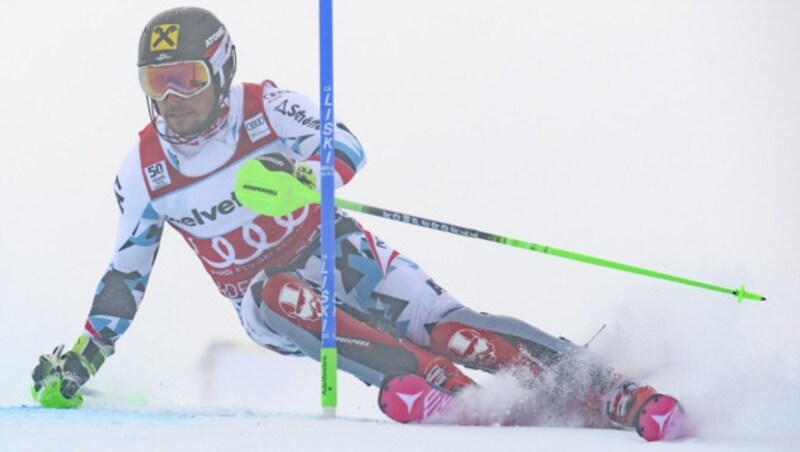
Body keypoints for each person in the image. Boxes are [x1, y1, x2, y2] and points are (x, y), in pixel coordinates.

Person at [31, 7, 683, 441]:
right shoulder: (144, 168)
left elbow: (345, 142)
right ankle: (435, 386)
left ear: (220, 70)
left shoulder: (261, 107)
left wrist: (311, 170)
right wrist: (84, 359)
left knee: (450, 325)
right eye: (156, 82)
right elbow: (125, 276)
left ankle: (607, 390)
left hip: (336, 247)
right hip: (267, 299)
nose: (170, 99)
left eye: (186, 79)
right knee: (273, 293)